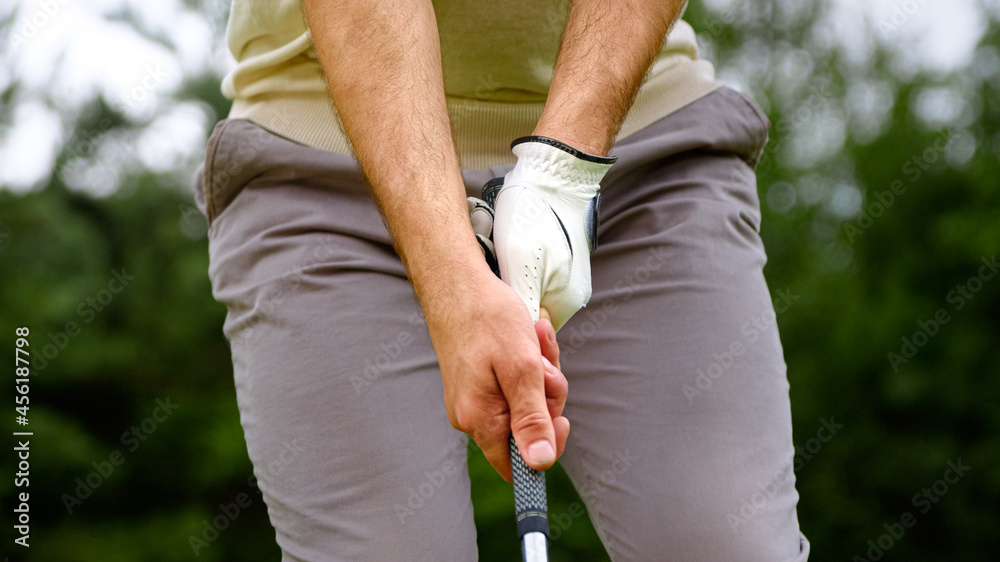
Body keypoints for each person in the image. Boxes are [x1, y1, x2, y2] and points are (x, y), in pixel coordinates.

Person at [195, 0, 810, 560]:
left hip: (636, 148)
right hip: (328, 156)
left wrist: (560, 173)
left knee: (732, 546)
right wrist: (451, 284)